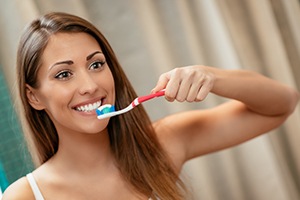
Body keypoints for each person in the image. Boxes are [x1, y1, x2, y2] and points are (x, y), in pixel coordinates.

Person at [2, 12, 299, 200]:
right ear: (34, 97)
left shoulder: (161, 146)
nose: (90, 85)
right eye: (64, 74)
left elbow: (282, 103)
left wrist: (211, 76)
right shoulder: (26, 195)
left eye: (96, 64)